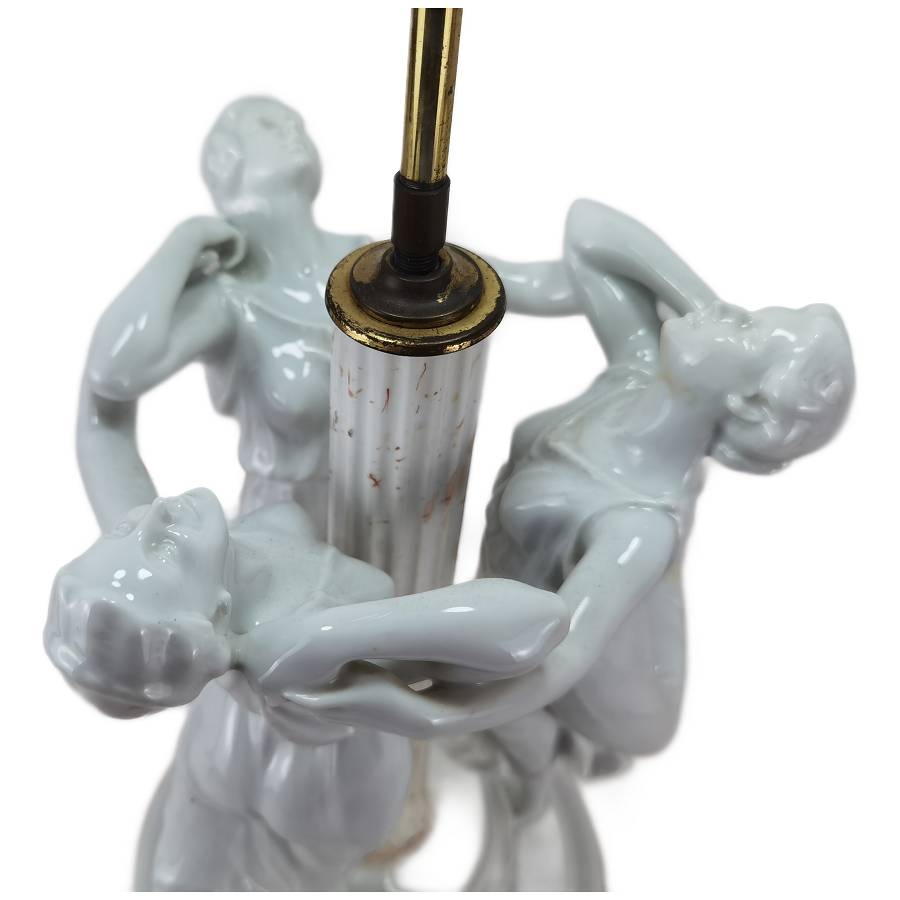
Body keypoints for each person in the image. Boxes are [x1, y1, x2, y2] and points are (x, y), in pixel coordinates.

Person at [288, 200, 854, 788]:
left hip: (612, 693)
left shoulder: (638, 525)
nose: (731, 309)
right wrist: (710, 315)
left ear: (749, 405)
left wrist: (421, 709)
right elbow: (591, 230)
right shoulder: (637, 371)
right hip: (497, 633)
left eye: (750, 329)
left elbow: (556, 658)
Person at [45, 488, 566, 889]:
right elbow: (539, 619)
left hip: (240, 751)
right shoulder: (289, 643)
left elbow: (106, 437)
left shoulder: (216, 558)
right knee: (187, 879)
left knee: (181, 872)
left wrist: (103, 398)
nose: (155, 516)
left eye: (124, 530)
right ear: (212, 614)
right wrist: (330, 633)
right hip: (318, 787)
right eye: (163, 550)